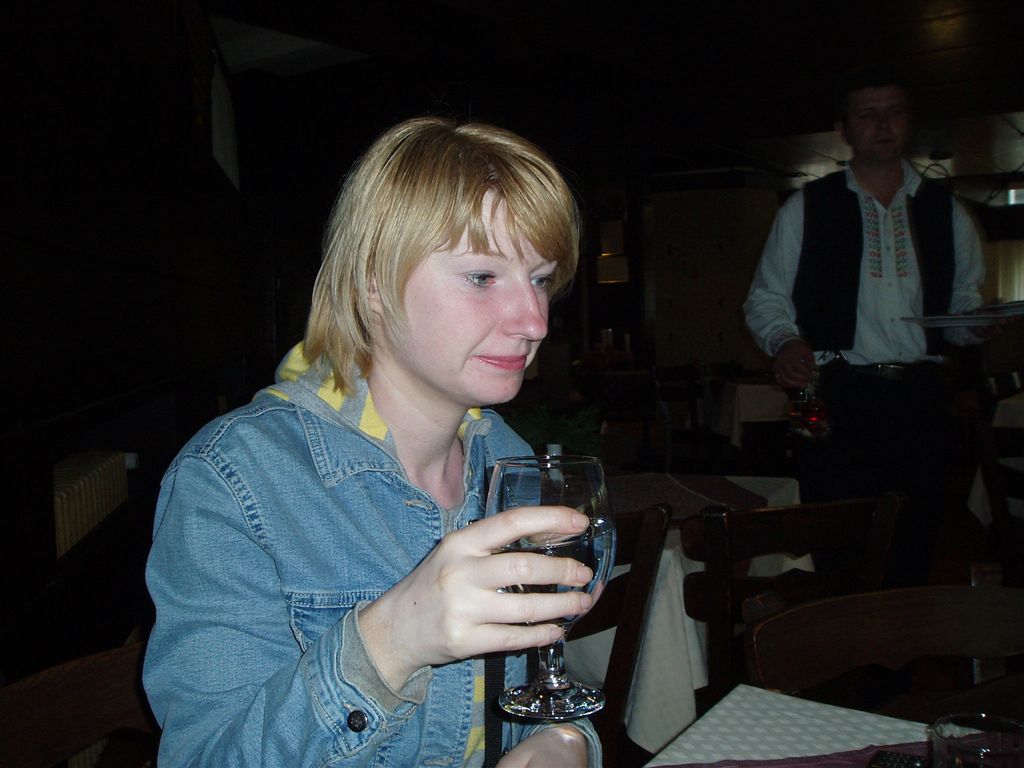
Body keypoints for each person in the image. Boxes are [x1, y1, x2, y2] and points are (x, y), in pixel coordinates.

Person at [143, 116, 602, 766]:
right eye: (482, 277)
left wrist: (563, 740)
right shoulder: (233, 480)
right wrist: (393, 640)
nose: (534, 321)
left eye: (541, 279)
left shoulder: (510, 461)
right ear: (372, 284)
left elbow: (541, 677)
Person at [743, 68, 987, 586]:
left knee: (916, 535)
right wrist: (785, 341)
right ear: (843, 129)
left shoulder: (946, 210)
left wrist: (978, 326)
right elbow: (765, 298)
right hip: (836, 394)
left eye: (894, 112)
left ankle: (901, 634)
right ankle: (841, 630)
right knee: (837, 538)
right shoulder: (807, 206)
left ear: (909, 122)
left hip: (920, 397)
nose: (882, 124)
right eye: (868, 114)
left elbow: (962, 306)